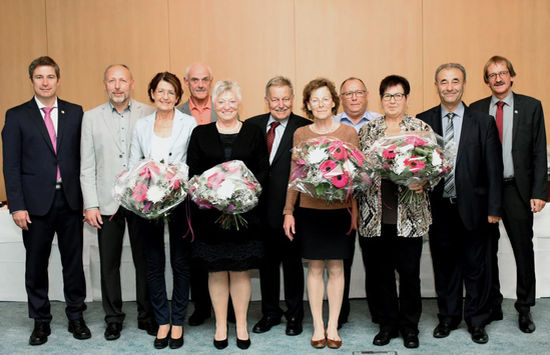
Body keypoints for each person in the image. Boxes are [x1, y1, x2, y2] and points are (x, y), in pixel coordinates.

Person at [2, 56, 91, 345]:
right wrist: (16, 205)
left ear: (58, 80)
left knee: (73, 264)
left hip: (70, 201)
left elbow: (85, 159)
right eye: (39, 77)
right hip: (35, 205)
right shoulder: (16, 116)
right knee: (36, 265)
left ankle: (76, 316)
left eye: (50, 76)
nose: (45, 82)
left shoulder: (76, 113)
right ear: (32, 81)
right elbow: (11, 165)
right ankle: (41, 321)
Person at [417, 63, 503, 344]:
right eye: (444, 81)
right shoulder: (424, 121)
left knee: (475, 268)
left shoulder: (482, 122)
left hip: (475, 210)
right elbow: (418, 166)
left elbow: (493, 168)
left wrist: (493, 208)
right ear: (436, 85)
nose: (450, 87)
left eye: (455, 81)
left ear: (464, 84)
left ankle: (476, 321)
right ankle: (448, 317)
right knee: (445, 267)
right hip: (439, 208)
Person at [187, 80, 269, 350]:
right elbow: (194, 175)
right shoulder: (200, 133)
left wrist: (243, 198)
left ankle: (242, 325)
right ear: (214, 104)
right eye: (221, 101)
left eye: (232, 101)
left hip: (245, 216)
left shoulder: (254, 132)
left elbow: (261, 173)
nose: (226, 106)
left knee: (241, 271)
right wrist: (213, 197)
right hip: (210, 218)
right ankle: (221, 325)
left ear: (239, 104)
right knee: (217, 271)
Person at [470, 55, 547, 333]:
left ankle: (524, 308)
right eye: (492, 74)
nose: (498, 78)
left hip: (517, 188)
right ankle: (492, 303)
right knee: (486, 249)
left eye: (503, 73)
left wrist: (540, 191)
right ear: (487, 81)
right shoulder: (476, 109)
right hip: (485, 192)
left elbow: (539, 152)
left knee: (523, 250)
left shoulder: (531, 107)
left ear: (512, 76)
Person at [80, 64, 157, 341]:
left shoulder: (149, 113)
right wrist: (90, 204)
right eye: (111, 81)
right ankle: (113, 318)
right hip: (106, 202)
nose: (117, 86)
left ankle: (147, 315)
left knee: (144, 261)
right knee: (109, 263)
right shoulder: (90, 118)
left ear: (132, 84)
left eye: (122, 80)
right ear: (104, 84)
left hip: (140, 202)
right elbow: (87, 166)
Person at [357, 75, 433, 349]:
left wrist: (424, 180)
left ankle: (410, 326)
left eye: (398, 95)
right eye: (388, 96)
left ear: (406, 98)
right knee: (381, 274)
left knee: (410, 273)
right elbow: (359, 172)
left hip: (409, 217)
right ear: (381, 99)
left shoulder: (420, 128)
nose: (392, 101)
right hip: (374, 216)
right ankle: (387, 324)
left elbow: (435, 167)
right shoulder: (368, 131)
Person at [283, 78, 358, 350]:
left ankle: (333, 326)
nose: (321, 104)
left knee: (337, 268)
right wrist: (288, 211)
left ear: (333, 102)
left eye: (325, 98)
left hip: (339, 211)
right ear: (308, 105)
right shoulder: (301, 134)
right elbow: (294, 175)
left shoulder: (348, 133)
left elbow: (357, 176)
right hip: (310, 210)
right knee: (314, 268)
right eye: (315, 100)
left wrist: (355, 213)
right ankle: (317, 326)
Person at [128, 72, 197, 349]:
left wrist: (173, 179)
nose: (165, 96)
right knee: (153, 264)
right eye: (160, 91)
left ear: (178, 96)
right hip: (148, 201)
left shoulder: (189, 123)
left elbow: (193, 161)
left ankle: (177, 320)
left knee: (180, 263)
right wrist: (145, 183)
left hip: (179, 200)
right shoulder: (142, 125)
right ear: (153, 94)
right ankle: (162, 321)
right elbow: (134, 162)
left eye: (171, 92)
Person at [246, 76, 310, 336]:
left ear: (292, 100)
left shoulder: (304, 128)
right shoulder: (251, 126)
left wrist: (291, 210)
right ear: (266, 101)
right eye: (275, 99)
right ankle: (270, 313)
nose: (281, 104)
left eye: (285, 98)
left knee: (293, 264)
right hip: (259, 212)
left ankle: (295, 315)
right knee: (266, 266)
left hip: (291, 211)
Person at [333, 77, 381, 328]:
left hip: (375, 199)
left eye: (358, 92)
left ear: (366, 95)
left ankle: (379, 310)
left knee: (375, 258)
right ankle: (339, 312)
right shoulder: (331, 124)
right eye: (348, 93)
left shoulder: (379, 122)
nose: (353, 97)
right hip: (341, 201)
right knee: (342, 258)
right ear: (340, 98)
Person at [177, 62, 217, 326]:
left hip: (222, 194)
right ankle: (201, 306)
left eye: (204, 79)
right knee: (196, 253)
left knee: (221, 250)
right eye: (195, 80)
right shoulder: (177, 113)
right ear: (186, 82)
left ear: (211, 81)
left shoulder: (222, 108)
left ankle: (222, 307)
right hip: (190, 196)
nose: (200, 84)